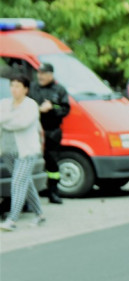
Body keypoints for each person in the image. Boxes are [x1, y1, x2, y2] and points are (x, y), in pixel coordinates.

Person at [1, 72, 45, 230]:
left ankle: (12, 220)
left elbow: (22, 123)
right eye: (12, 86)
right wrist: (10, 118)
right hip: (7, 151)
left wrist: (6, 120)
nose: (14, 89)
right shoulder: (4, 103)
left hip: (26, 151)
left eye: (18, 86)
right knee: (26, 182)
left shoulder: (31, 105)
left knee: (18, 182)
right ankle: (40, 214)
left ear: (25, 89)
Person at [28, 62, 69, 204]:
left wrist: (52, 107)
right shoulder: (32, 87)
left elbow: (65, 109)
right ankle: (28, 197)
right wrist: (39, 109)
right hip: (33, 131)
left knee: (52, 163)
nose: (40, 76)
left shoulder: (59, 89)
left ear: (51, 75)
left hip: (52, 131)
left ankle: (53, 192)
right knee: (30, 163)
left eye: (43, 73)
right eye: (39, 73)